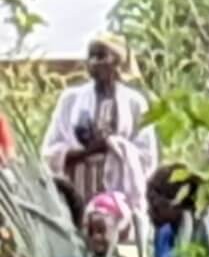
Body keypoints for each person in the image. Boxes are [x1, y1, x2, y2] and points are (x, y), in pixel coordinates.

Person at [41, 35, 158, 208]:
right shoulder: (71, 99)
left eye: (101, 56)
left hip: (119, 195)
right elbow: (50, 151)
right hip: (76, 191)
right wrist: (88, 151)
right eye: (91, 57)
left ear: (117, 61)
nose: (94, 63)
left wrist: (116, 147)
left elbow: (147, 156)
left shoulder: (134, 102)